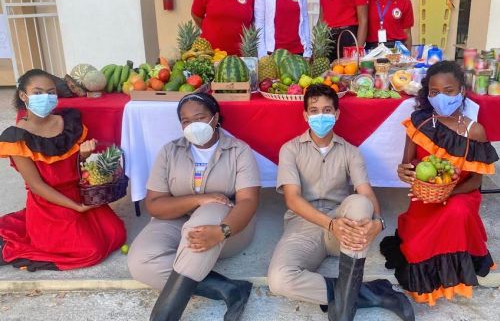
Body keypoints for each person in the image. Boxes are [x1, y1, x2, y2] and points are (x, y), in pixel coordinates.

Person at [268, 84, 414, 321]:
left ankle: (344, 307)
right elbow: (292, 199)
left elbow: (365, 192)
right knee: (279, 280)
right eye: (314, 110)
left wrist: (378, 222)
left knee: (359, 203)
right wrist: (330, 224)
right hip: (304, 223)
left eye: (327, 110)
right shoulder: (290, 149)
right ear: (305, 115)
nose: (320, 115)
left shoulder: (351, 152)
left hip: (342, 226)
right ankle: (371, 293)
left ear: (337, 114)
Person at [127, 93, 260, 321]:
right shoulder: (170, 151)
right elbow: (155, 204)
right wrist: (198, 199)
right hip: (177, 219)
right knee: (140, 262)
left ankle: (163, 317)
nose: (193, 125)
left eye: (200, 118)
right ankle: (228, 289)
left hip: (226, 227)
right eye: (186, 121)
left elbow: (248, 201)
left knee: (207, 215)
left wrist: (222, 231)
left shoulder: (239, 151)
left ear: (215, 118)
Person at [380, 61, 498, 306]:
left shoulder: (474, 131)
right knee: (415, 249)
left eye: (449, 91)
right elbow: (407, 166)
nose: (441, 97)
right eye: (434, 92)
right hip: (427, 197)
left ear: (462, 91)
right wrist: (405, 172)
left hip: (460, 195)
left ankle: (453, 273)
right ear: (427, 95)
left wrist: (449, 192)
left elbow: (476, 179)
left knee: (456, 211)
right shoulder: (419, 123)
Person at [0, 69, 126, 271]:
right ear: (24, 96)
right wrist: (75, 207)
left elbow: (71, 165)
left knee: (116, 233)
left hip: (78, 192)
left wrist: (83, 155)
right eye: (38, 93)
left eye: (51, 92)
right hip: (48, 203)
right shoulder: (17, 136)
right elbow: (36, 185)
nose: (46, 98)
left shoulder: (68, 122)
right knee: (89, 251)